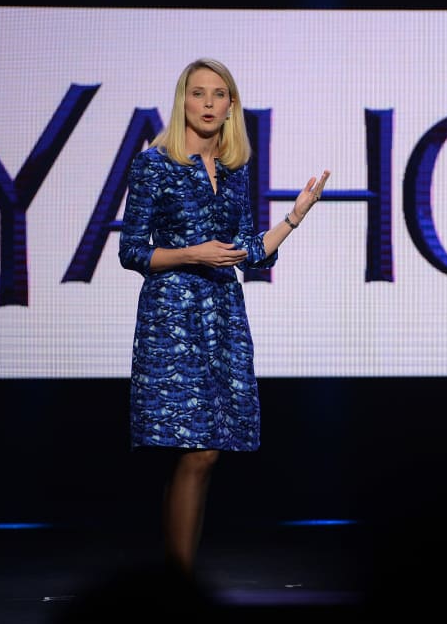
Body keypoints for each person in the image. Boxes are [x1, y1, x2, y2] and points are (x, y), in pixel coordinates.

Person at [118, 57, 330, 578]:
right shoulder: (154, 164)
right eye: (198, 93)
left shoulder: (235, 171)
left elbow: (248, 251)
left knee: (206, 454)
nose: (208, 103)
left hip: (223, 315)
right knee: (195, 450)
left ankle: (177, 576)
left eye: (219, 94)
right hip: (173, 317)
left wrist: (294, 218)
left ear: (231, 105)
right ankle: (178, 581)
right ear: (183, 101)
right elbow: (131, 251)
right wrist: (193, 254)